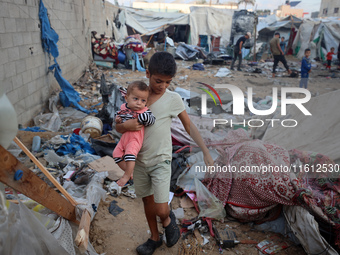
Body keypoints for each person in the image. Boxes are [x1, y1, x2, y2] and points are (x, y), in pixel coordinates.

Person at [116, 52, 214, 255]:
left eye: (167, 82)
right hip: (139, 162)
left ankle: (169, 220)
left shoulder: (173, 99)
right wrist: (127, 125)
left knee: (161, 208)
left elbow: (189, 126)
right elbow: (117, 125)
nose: (162, 86)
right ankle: (154, 237)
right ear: (148, 73)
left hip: (161, 160)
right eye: (158, 80)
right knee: (147, 202)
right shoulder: (136, 96)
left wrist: (205, 151)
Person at [113, 81, 156, 187]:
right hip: (124, 138)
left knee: (129, 155)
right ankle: (130, 172)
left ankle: (126, 175)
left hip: (135, 139)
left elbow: (152, 120)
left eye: (143, 100)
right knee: (116, 154)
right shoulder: (124, 108)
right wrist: (118, 120)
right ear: (127, 98)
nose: (139, 103)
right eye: (135, 99)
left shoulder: (145, 111)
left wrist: (141, 117)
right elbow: (118, 116)